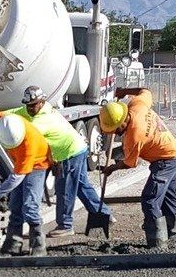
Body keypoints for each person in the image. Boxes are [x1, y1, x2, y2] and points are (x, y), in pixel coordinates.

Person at [14, 84, 111, 239]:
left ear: (42, 102)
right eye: (28, 105)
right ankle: (104, 213)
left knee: (65, 188)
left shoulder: (42, 119)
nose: (30, 108)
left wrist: (55, 162)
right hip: (76, 148)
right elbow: (15, 113)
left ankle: (65, 225)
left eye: (33, 105)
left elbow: (29, 136)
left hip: (69, 153)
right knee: (80, 185)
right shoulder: (34, 110)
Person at [98, 88, 176, 250]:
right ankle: (174, 231)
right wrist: (125, 91)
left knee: (150, 199)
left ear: (122, 122)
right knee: (167, 195)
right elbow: (146, 91)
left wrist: (112, 168)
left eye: (117, 129)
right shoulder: (137, 105)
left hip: (165, 160)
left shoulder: (134, 136)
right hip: (174, 152)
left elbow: (130, 163)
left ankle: (157, 242)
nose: (116, 133)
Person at [0, 109, 52, 255]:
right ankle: (13, 244)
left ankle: (39, 246)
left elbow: (16, 179)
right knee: (15, 205)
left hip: (38, 165)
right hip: (19, 165)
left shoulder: (28, 145)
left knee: (29, 207)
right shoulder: (4, 121)